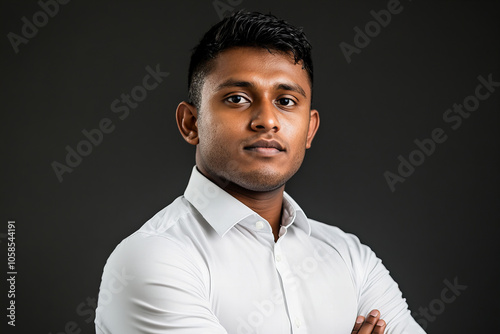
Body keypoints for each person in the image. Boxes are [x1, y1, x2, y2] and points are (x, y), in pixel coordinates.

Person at [95, 11, 426, 334]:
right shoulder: (151, 258)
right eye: (237, 98)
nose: (267, 120)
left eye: (285, 101)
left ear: (309, 130)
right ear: (191, 123)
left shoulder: (352, 258)